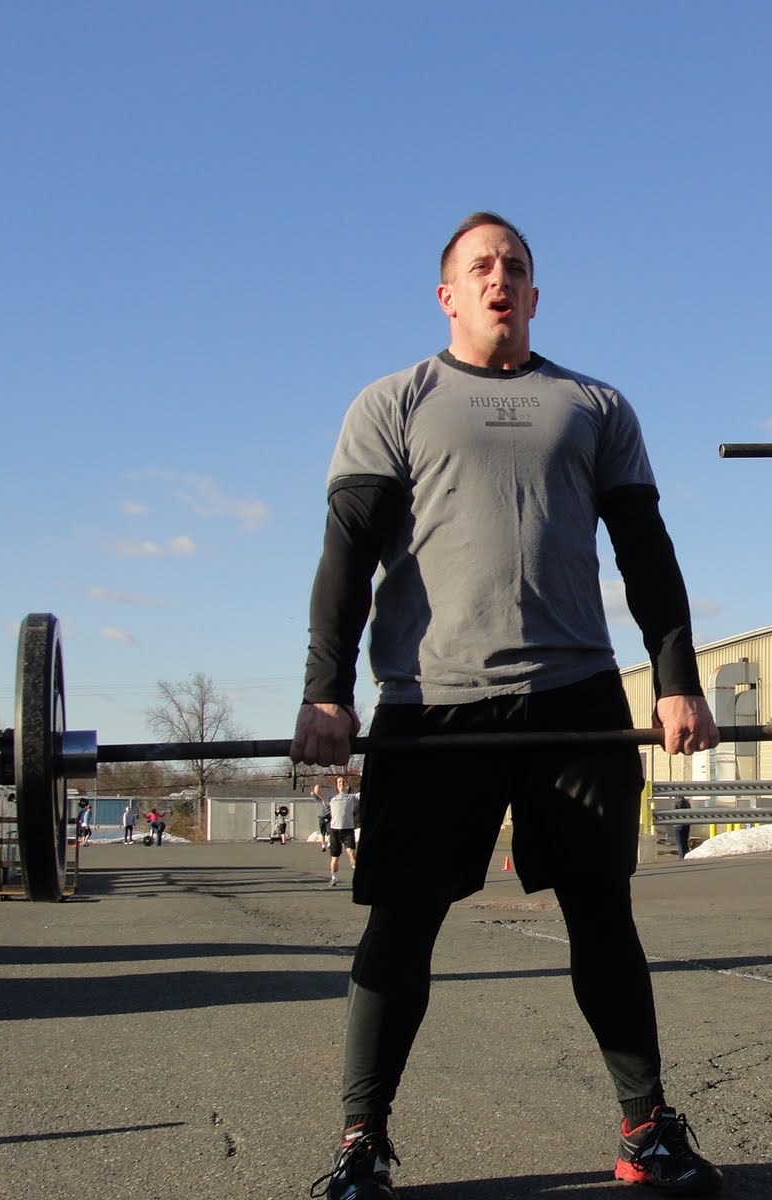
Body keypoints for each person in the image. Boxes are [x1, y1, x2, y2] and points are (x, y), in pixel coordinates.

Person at [291, 212, 723, 1199]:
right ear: (447, 294)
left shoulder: (594, 405)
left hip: (574, 696)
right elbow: (345, 558)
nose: (500, 278)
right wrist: (326, 690)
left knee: (601, 916)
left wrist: (676, 677)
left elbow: (646, 553)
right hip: (432, 702)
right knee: (402, 925)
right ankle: (361, 1144)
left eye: (515, 267)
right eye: (481, 266)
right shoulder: (394, 401)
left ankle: (646, 1133)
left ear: (534, 294)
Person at [325, 775, 358, 887]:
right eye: (339, 782)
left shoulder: (351, 798)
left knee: (352, 853)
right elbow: (317, 792)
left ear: (346, 784)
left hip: (348, 830)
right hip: (335, 831)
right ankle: (333, 878)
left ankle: (357, 876)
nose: (341, 783)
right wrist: (318, 780)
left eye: (343, 782)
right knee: (335, 858)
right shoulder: (332, 799)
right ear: (336, 785)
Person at [311, 783, 333, 852]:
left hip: (328, 817)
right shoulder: (319, 800)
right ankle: (323, 846)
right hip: (321, 817)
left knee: (329, 831)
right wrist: (316, 788)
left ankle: (329, 843)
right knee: (322, 832)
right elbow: (313, 793)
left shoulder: (329, 801)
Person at [671, 795, 693, 860]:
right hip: (686, 824)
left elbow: (673, 813)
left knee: (679, 842)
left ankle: (681, 857)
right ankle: (686, 856)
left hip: (678, 824)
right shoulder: (687, 802)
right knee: (685, 841)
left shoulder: (675, 802)